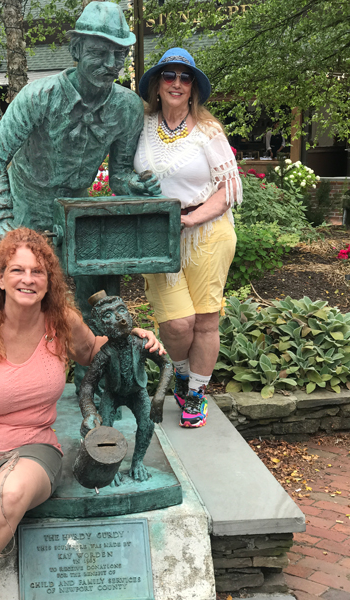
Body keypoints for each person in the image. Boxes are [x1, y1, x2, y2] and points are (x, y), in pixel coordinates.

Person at [0, 228, 163, 600]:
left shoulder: (62, 322)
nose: (28, 279)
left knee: (8, 497)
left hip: (33, 446)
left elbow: (94, 351)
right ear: (1, 278)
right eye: (17, 270)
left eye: (37, 271)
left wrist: (135, 333)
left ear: (48, 280)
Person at [0, 0, 160, 319]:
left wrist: (136, 184)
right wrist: (3, 222)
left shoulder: (128, 108)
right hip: (27, 206)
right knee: (25, 303)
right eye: (99, 52)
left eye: (119, 54)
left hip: (79, 208)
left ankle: (99, 362)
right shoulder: (38, 97)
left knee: (103, 299)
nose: (110, 64)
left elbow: (118, 176)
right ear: (76, 49)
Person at [134, 48, 243, 429]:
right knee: (178, 323)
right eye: (169, 76)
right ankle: (180, 374)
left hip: (208, 234)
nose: (177, 83)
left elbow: (230, 189)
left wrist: (191, 218)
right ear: (157, 85)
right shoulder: (140, 125)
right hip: (156, 236)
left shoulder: (209, 131)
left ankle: (195, 391)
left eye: (185, 77)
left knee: (206, 321)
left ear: (193, 87)